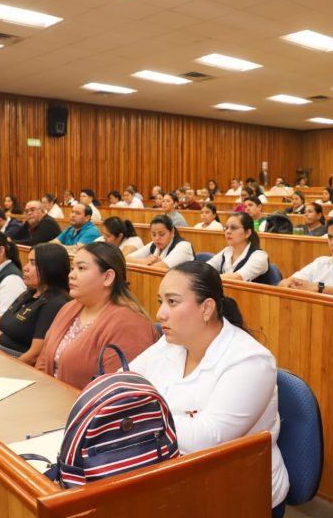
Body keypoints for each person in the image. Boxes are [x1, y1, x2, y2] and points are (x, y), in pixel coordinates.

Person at [129, 262, 289, 511]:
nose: (160, 313)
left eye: (172, 302)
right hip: (173, 473)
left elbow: (206, 440)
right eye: (161, 301)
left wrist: (136, 416)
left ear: (206, 308)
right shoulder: (171, 342)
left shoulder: (250, 361)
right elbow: (122, 382)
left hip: (239, 490)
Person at [36, 242, 155, 389]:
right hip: (50, 398)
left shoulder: (130, 325)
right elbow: (44, 359)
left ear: (108, 277)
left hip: (89, 409)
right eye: (73, 268)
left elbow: (120, 391)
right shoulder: (69, 308)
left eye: (81, 268)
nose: (71, 275)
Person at [0, 243, 70, 363]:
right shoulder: (29, 293)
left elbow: (35, 354)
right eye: (27, 262)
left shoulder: (55, 303)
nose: (25, 267)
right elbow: (3, 329)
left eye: (33, 263)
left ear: (50, 268)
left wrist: (2, 369)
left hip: (18, 364)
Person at [206, 212, 269, 282]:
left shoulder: (260, 256)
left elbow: (238, 277)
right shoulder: (227, 251)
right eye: (226, 228)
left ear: (247, 233)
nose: (228, 231)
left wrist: (207, 277)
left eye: (233, 228)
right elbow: (206, 268)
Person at [127, 215, 195, 269]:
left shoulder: (184, 247)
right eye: (153, 234)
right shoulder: (153, 244)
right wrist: (144, 261)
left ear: (172, 232)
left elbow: (158, 268)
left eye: (162, 234)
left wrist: (148, 263)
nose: (157, 238)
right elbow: (125, 259)